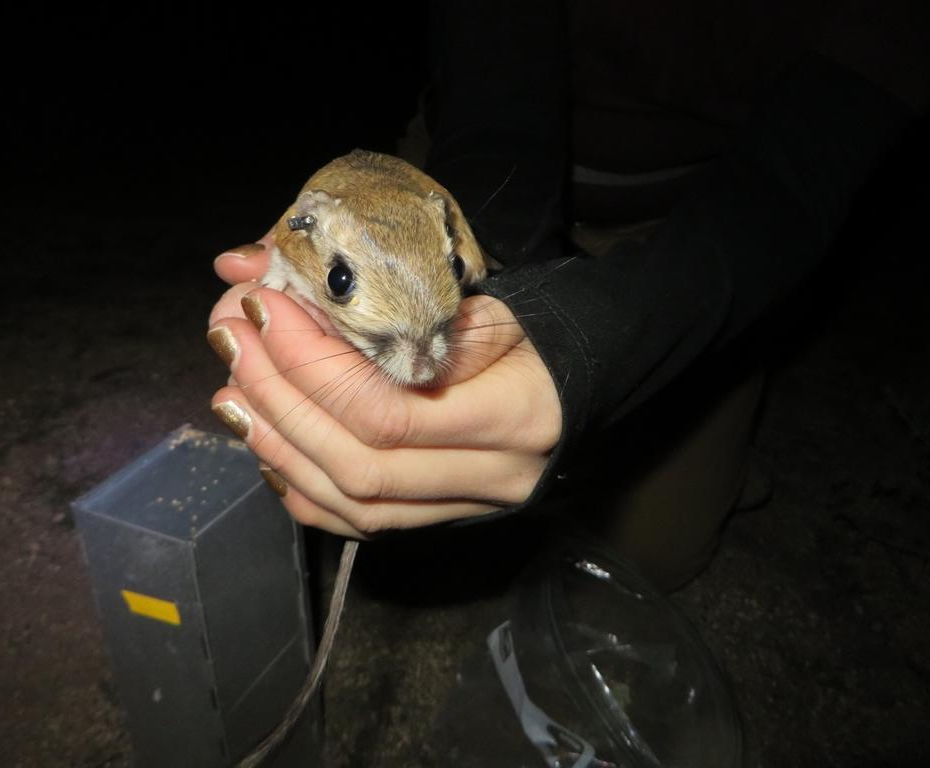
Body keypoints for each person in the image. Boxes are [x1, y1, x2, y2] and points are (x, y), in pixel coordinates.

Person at [207, 0, 927, 588]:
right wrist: (491, 256)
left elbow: (790, 186)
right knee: (414, 518)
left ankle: (732, 437)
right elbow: (498, 103)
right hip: (467, 188)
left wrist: (591, 337)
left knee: (652, 554)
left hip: (697, 215)